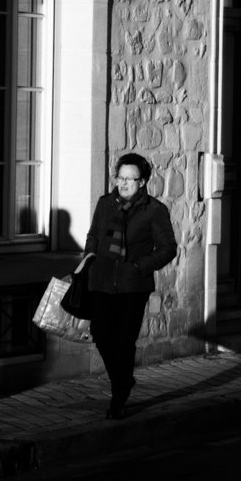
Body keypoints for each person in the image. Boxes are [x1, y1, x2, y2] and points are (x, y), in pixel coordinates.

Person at [76, 153, 177, 420]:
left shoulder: (154, 210)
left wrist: (138, 266)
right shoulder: (105, 204)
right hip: (100, 281)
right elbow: (94, 235)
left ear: (142, 182)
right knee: (101, 334)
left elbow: (168, 249)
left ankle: (118, 398)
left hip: (132, 286)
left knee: (123, 341)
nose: (123, 183)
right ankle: (123, 380)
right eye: (120, 177)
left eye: (129, 179)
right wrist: (89, 257)